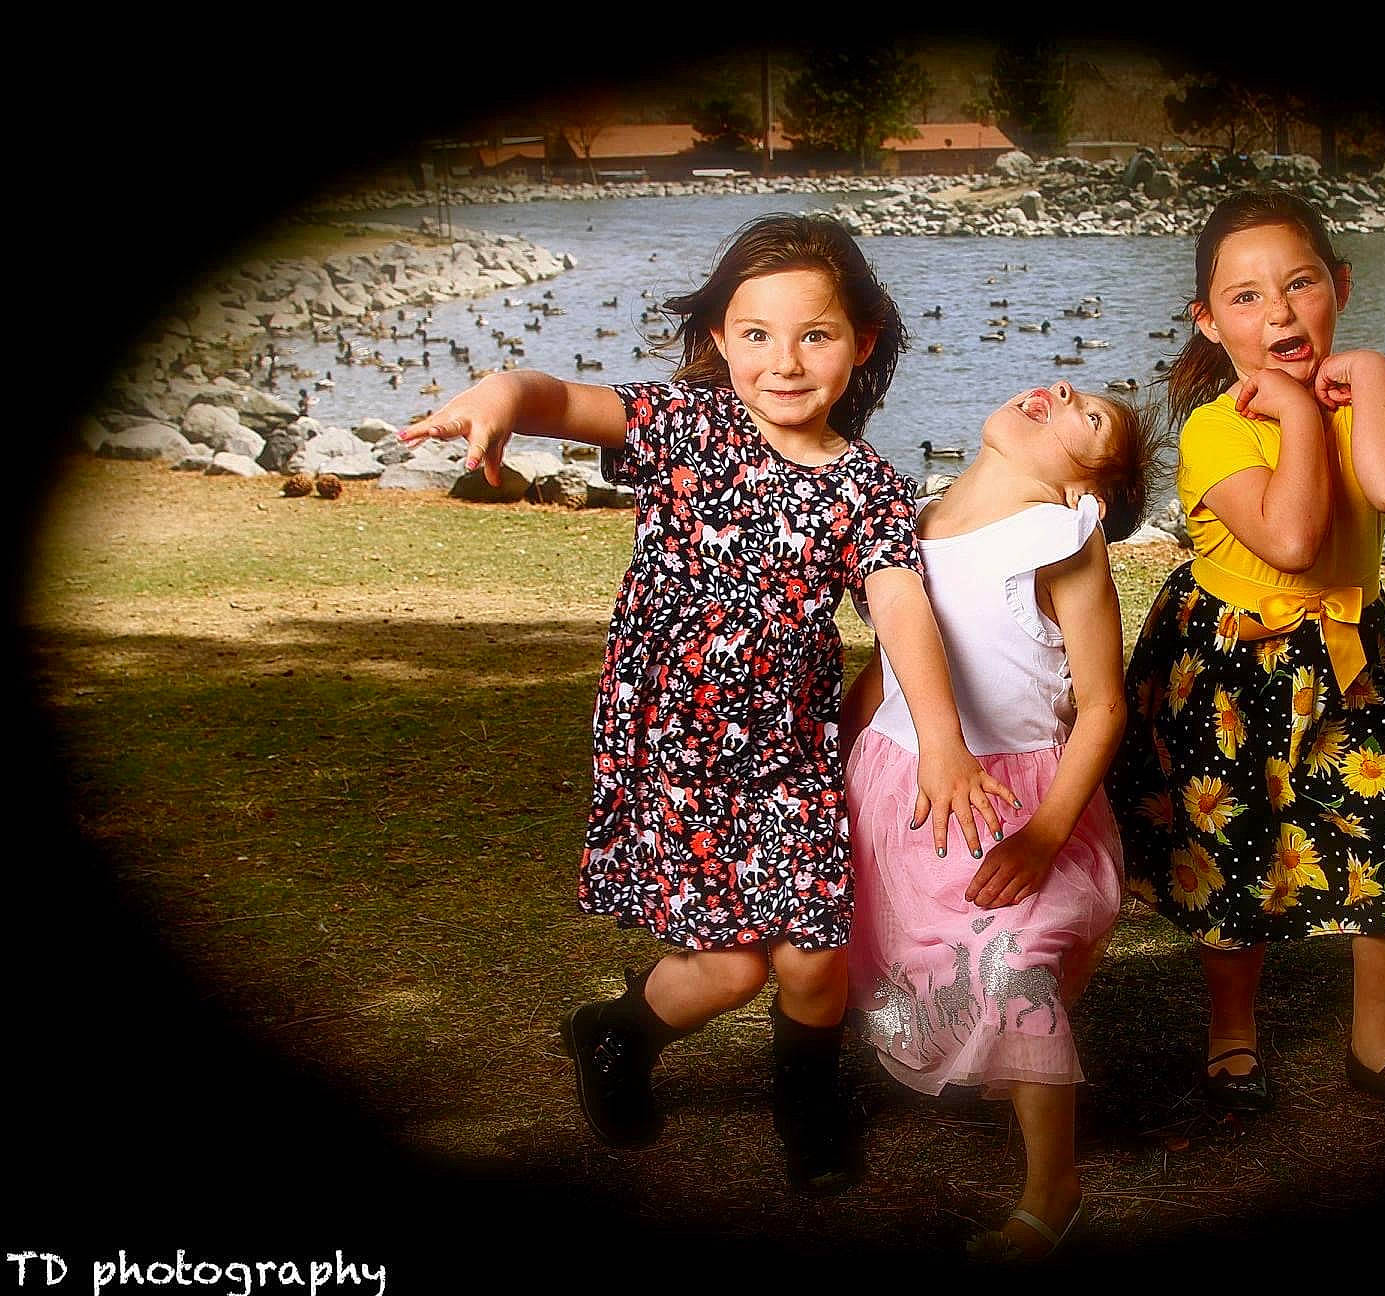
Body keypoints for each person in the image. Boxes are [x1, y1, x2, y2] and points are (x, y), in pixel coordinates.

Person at [398, 215, 1013, 1194]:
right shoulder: (685, 428)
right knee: (730, 968)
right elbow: (559, 399)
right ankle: (617, 1032)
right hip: (677, 754)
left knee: (814, 958)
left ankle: (806, 1106)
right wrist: (500, 392)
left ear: (860, 344)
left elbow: (901, 609)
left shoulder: (869, 489)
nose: (784, 359)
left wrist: (943, 740)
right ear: (721, 341)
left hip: (788, 759)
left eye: (814, 334)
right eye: (756, 333)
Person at [1108, 191, 1385, 1120]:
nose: (1278, 312)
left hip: (1349, 666)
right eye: (1245, 296)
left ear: (1339, 287)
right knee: (1231, 855)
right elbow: (1294, 539)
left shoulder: (1375, 403)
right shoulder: (1213, 428)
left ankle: (1375, 1043)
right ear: (1208, 320)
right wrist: (1303, 419)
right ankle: (1233, 1039)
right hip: (1232, 670)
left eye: (1301, 283)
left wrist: (1376, 375)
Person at [840, 378, 1162, 1261]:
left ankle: (1051, 1190)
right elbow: (893, 658)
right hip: (900, 780)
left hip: (1017, 799)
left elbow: (1101, 707)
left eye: (1089, 416)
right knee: (913, 943)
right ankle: (990, 1064)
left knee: (1018, 962)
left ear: (1085, 489)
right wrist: (841, 744)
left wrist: (1047, 834)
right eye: (1071, 388)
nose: (1061, 389)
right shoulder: (910, 517)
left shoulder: (1062, 541)